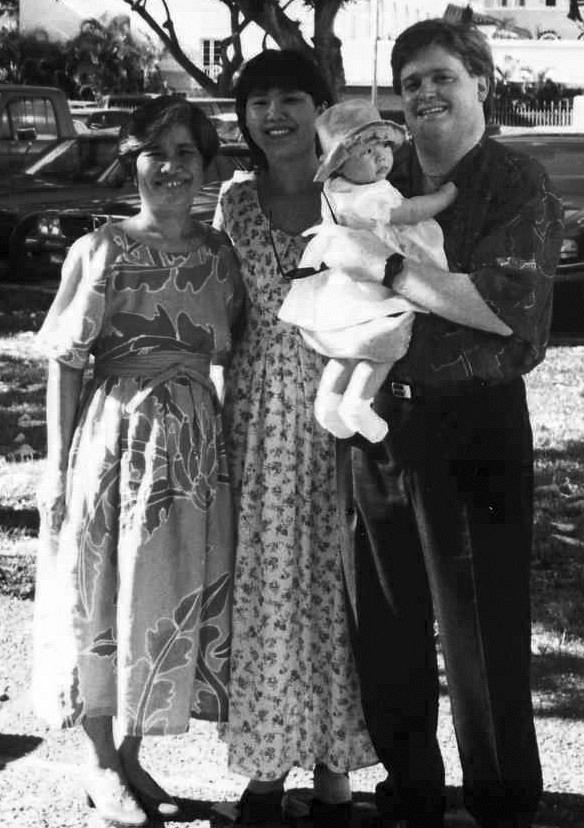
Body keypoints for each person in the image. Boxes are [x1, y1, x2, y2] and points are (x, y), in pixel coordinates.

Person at [302, 20, 564, 828]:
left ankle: (502, 800)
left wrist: (384, 267)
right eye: (410, 81)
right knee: (385, 620)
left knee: (481, 626)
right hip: (378, 424)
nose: (425, 93)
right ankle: (410, 791)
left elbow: (501, 307)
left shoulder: (516, 181)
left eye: (442, 76)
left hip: (475, 425)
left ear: (481, 82)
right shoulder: (380, 171)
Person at [31, 96, 244, 827]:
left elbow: (231, 349)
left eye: (188, 153)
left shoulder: (220, 257)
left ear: (206, 166)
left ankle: (128, 755)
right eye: (158, 152)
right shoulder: (101, 249)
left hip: (191, 448)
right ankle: (96, 763)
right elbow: (65, 360)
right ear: (134, 160)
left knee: (155, 598)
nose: (173, 166)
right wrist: (56, 468)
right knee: (103, 590)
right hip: (115, 438)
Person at [212, 50, 378, 826]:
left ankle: (336, 766)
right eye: (257, 102)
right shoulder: (234, 202)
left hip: (342, 405)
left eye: (290, 99)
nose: (273, 115)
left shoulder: (354, 191)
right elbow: (223, 313)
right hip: (257, 419)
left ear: (320, 106)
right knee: (269, 587)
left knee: (339, 586)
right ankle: (268, 764)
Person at [279, 98, 511, 443]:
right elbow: (411, 212)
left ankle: (328, 403)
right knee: (385, 341)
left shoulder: (337, 191)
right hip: (372, 287)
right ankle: (358, 401)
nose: (381, 156)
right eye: (367, 152)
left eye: (384, 146)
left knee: (348, 349)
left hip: (344, 290)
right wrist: (447, 196)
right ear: (340, 165)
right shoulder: (370, 198)